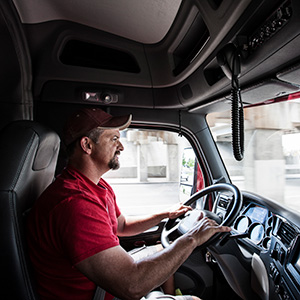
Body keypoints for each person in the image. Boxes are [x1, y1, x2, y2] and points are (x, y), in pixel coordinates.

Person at [26, 107, 231, 300]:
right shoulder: (75, 205)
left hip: (105, 287)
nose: (122, 146)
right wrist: (192, 239)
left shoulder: (96, 186)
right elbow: (131, 285)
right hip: (102, 294)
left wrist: (164, 213)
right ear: (87, 145)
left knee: (161, 250)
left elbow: (121, 225)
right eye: (114, 138)